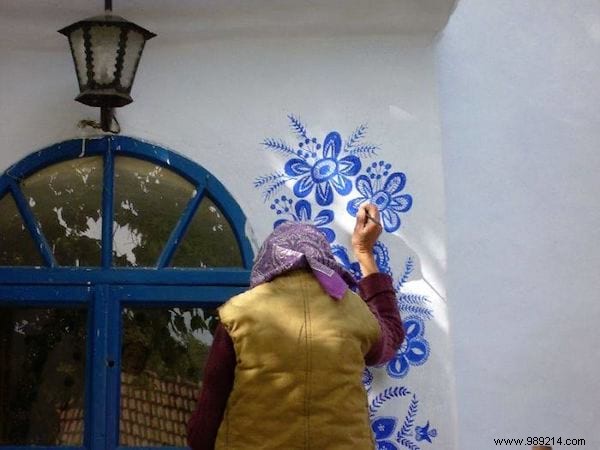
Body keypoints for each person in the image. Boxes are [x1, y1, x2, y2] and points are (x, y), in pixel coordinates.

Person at [187, 203, 404, 449]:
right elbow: (391, 337)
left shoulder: (238, 314)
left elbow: (204, 428)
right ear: (324, 260)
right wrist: (364, 252)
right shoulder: (353, 310)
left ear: (268, 260)